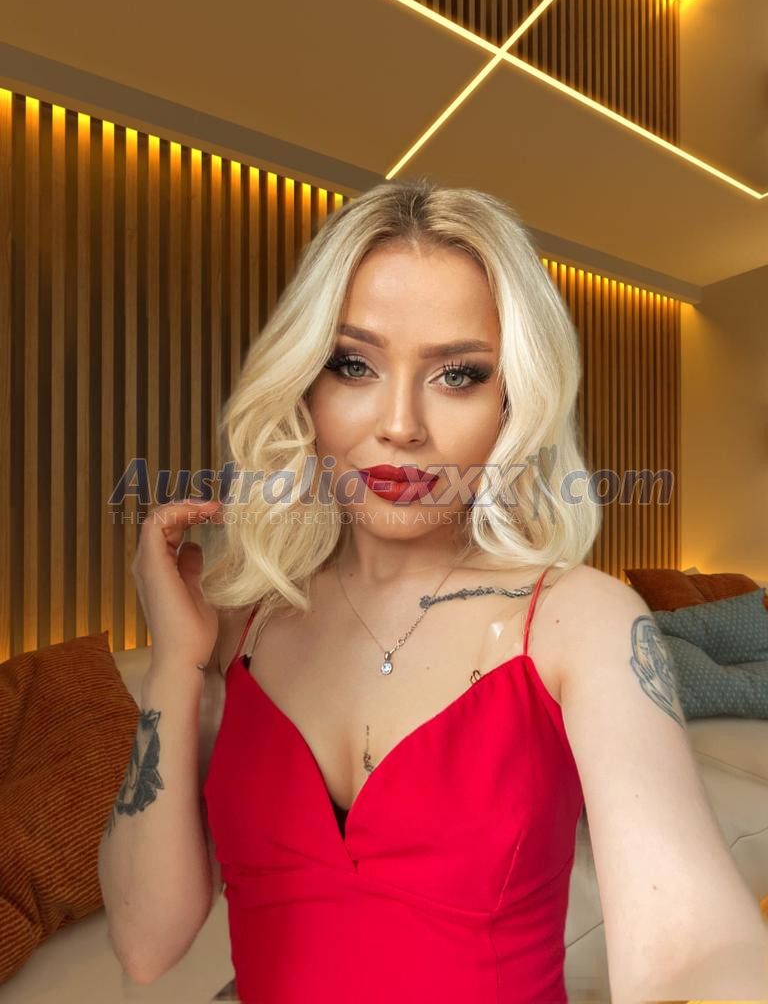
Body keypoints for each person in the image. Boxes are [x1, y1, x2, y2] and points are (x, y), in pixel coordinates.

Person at [99, 178, 768, 1003]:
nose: (401, 424)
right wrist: (175, 667)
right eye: (354, 364)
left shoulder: (578, 623)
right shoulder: (241, 627)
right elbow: (145, 943)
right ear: (305, 387)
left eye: (458, 375)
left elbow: (693, 945)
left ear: (513, 401)